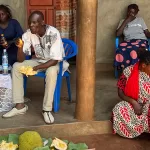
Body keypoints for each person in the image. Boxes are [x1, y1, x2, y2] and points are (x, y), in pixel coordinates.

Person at [2, 11, 69, 124]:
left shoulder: (53, 33)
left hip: (54, 62)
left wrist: (36, 68)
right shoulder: (28, 34)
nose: (31, 25)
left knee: (51, 72)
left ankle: (46, 109)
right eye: (30, 23)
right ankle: (20, 106)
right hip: (39, 60)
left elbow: (54, 60)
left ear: (42, 22)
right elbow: (21, 60)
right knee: (16, 66)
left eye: (34, 23)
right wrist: (20, 47)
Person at [112, 48, 150, 138]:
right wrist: (133, 102)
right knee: (119, 109)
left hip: (148, 105)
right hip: (133, 104)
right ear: (144, 65)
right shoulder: (128, 71)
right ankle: (137, 132)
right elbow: (120, 92)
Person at [114, 4, 150, 70]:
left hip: (140, 41)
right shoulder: (122, 21)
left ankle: (135, 70)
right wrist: (126, 21)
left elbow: (147, 33)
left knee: (135, 50)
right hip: (128, 42)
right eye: (129, 12)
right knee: (120, 49)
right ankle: (126, 70)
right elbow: (117, 34)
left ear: (136, 13)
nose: (130, 14)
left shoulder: (140, 20)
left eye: (133, 12)